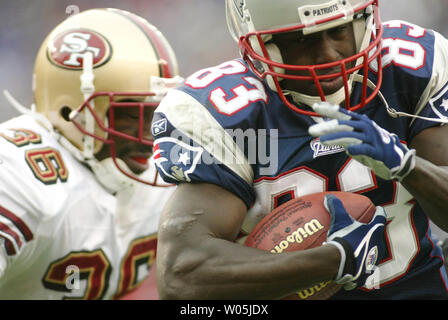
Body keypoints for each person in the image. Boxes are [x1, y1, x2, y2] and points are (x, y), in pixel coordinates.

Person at [152, 0, 448, 299]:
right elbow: (181, 277)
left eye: (339, 31)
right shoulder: (232, 115)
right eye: (299, 40)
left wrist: (407, 166)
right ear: (261, 42)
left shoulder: (407, 70)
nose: (328, 54)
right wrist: (330, 261)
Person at [0, 8, 182, 299]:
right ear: (69, 109)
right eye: (131, 115)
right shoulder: (15, 176)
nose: (151, 137)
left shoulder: (166, 172)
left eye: (158, 113)